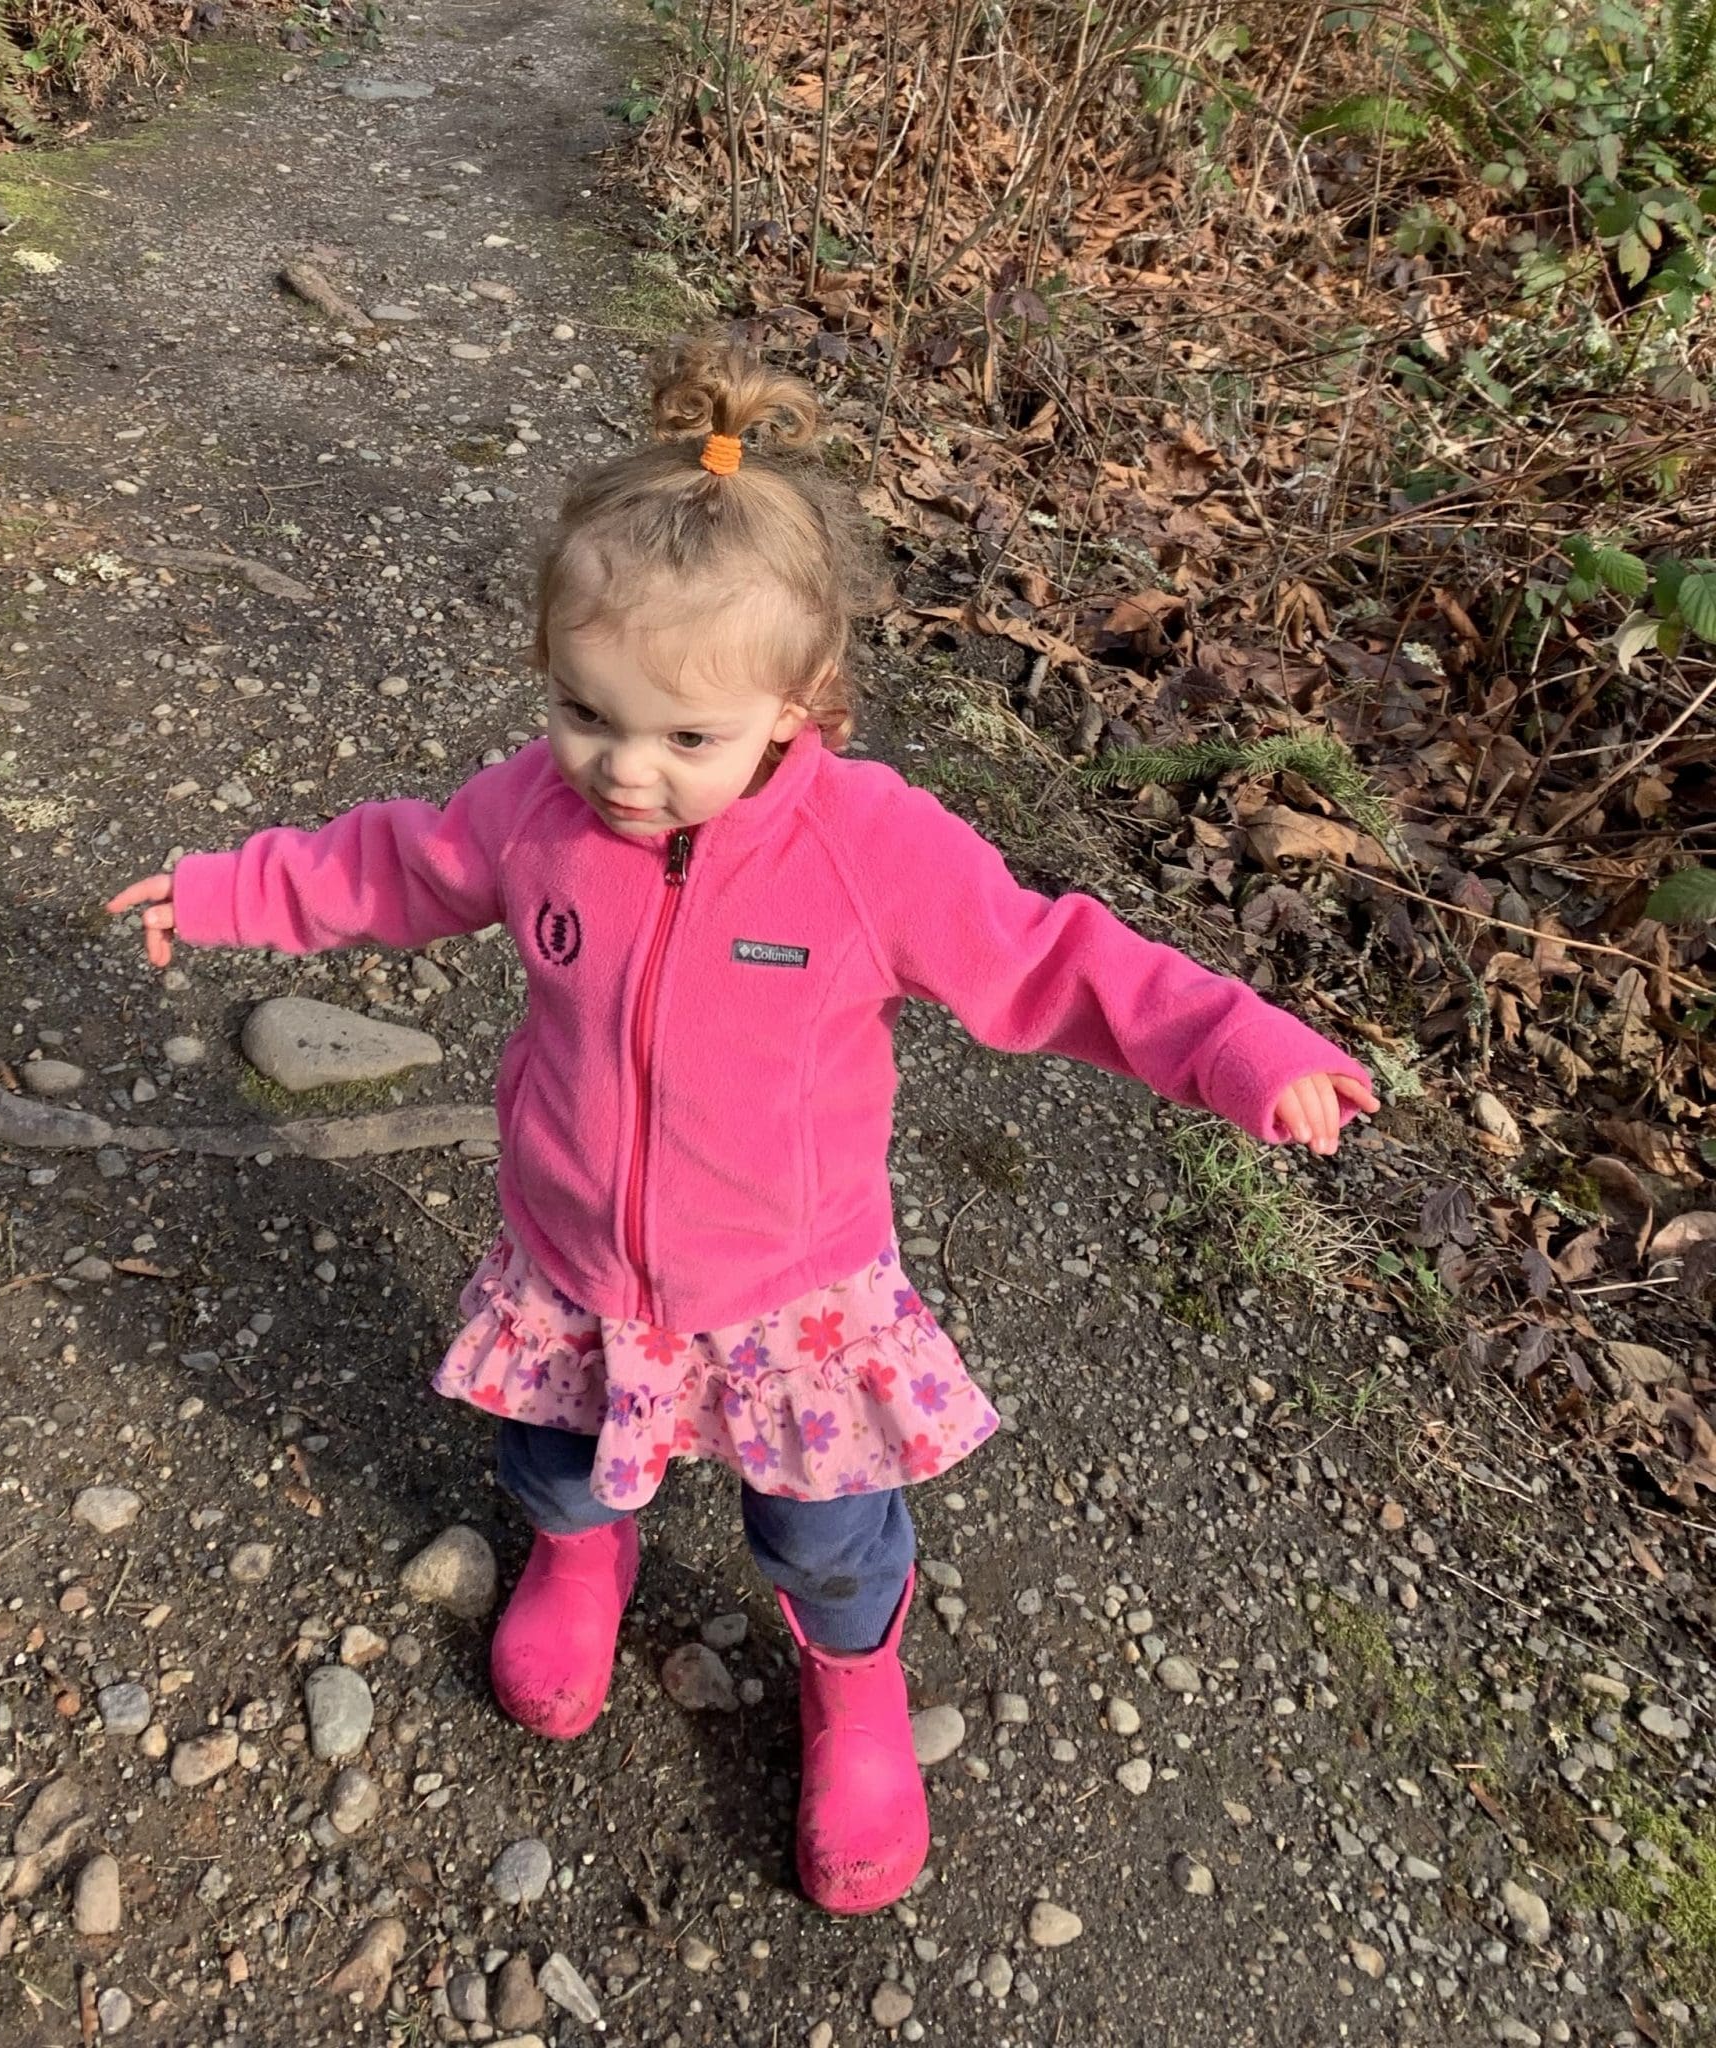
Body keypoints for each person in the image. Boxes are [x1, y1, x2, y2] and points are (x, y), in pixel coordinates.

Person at [107, 334, 1379, 1916]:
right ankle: (582, 1562)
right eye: (584, 712)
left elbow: (1053, 959)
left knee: (829, 1533)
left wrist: (1241, 1045)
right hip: (577, 1266)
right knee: (557, 1462)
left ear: (799, 707)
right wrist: (234, 889)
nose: (624, 772)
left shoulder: (868, 848)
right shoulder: (539, 813)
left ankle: (854, 1687)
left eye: (684, 740)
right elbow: (398, 866)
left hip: (791, 1293)